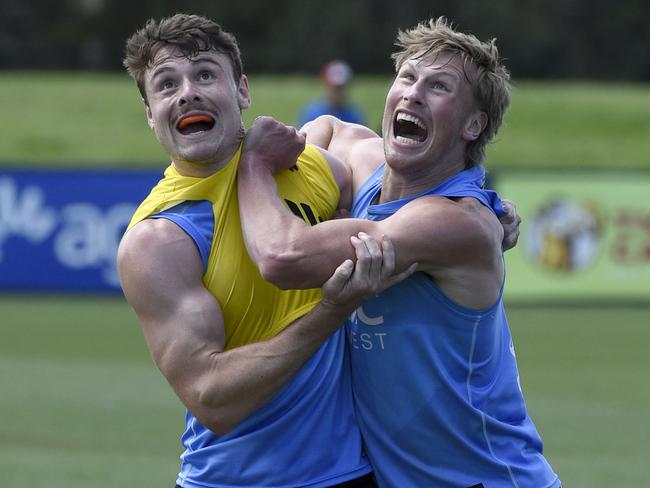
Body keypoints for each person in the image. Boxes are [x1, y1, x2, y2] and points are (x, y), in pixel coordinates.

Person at [237, 17, 560, 487]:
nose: (413, 93)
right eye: (407, 77)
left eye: (439, 86)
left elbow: (283, 257)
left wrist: (254, 166)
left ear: (474, 124)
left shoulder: (454, 222)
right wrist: (336, 189)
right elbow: (327, 129)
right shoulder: (373, 173)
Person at [117, 14, 415, 488]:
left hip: (353, 473)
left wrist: (475, 204)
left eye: (205, 74)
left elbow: (361, 168)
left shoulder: (306, 167)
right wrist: (332, 309)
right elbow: (213, 400)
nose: (187, 92)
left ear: (243, 92)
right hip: (235, 480)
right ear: (152, 114)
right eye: (166, 84)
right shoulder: (159, 239)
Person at [297, 60, 366, 127]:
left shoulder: (354, 115)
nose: (339, 92)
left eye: (341, 87)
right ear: (326, 85)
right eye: (335, 88)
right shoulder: (312, 114)